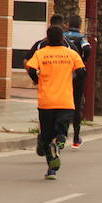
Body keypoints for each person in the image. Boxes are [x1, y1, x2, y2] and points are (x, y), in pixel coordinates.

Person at [25, 25, 85, 179]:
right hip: (65, 101)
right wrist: (71, 82)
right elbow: (81, 72)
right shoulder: (71, 54)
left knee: (46, 137)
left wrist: (36, 80)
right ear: (62, 38)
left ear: (48, 38)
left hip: (46, 101)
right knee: (61, 128)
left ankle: (51, 169)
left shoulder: (40, 54)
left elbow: (30, 68)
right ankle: (61, 140)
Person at [65, 14, 91, 148]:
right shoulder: (81, 37)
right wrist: (83, 60)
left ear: (68, 24)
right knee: (76, 103)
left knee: (63, 103)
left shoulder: (63, 36)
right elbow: (87, 48)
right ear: (79, 25)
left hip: (63, 74)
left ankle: (61, 135)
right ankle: (76, 137)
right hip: (77, 74)